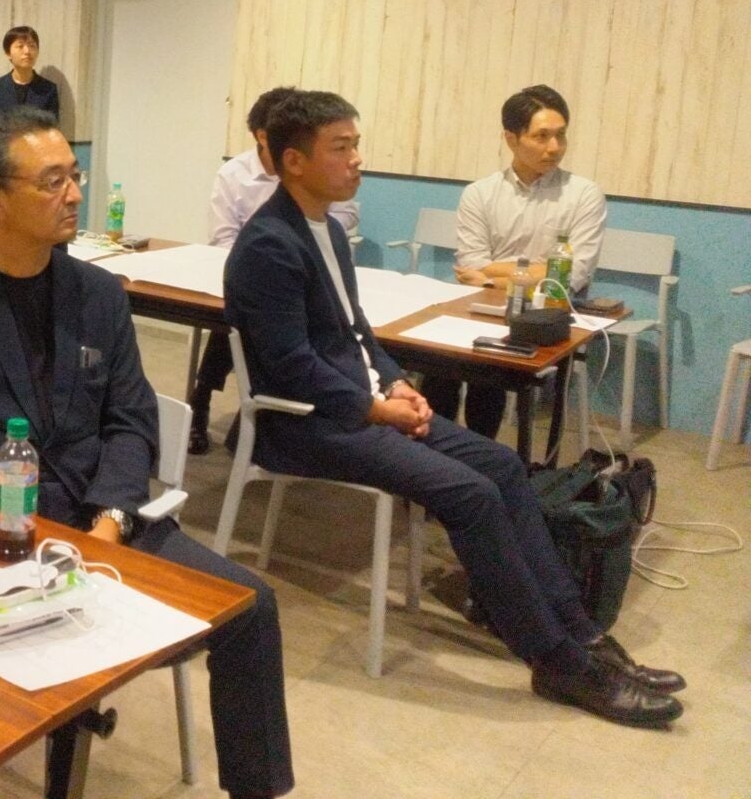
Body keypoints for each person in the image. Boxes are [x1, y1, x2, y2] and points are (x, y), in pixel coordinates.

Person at [226, 89, 683, 728]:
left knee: (502, 465)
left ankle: (582, 634)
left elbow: (356, 330)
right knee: (469, 494)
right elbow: (290, 364)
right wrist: (375, 407)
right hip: (305, 423)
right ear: (294, 161)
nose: (357, 159)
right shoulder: (268, 244)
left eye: (356, 144)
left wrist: (396, 383)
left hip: (358, 405)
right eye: (341, 147)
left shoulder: (325, 228)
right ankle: (556, 662)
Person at [0, 108, 294, 799]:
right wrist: (30, 532)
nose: (75, 193)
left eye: (73, 176)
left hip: (104, 526)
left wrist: (110, 519)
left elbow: (131, 422)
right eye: (52, 181)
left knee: (250, 606)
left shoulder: (99, 294)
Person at [419, 84, 608, 438]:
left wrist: (493, 276)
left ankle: (482, 451)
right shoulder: (480, 194)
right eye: (542, 136)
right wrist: (532, 272)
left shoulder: (583, 195)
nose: (554, 147)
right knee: (437, 362)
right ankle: (433, 450)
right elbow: (472, 264)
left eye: (561, 135)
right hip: (482, 305)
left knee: (488, 364)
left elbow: (570, 277)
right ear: (511, 138)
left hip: (547, 313)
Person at [188, 86, 361, 455]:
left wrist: (304, 228)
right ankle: (203, 400)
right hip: (253, 271)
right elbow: (223, 237)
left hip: (310, 268)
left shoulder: (320, 175)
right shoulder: (234, 174)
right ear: (262, 137)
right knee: (237, 322)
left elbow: (343, 217)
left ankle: (259, 416)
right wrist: (272, 250)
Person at [0, 26, 59, 121]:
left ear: (37, 52)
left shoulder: (49, 89)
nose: (27, 51)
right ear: (8, 53)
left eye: (32, 46)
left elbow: (52, 127)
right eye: (20, 46)